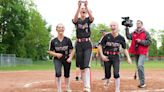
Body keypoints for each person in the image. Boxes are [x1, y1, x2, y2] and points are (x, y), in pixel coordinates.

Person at [98, 21, 132, 92]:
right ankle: (107, 80)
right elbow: (100, 46)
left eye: (114, 25)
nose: (113, 27)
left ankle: (117, 88)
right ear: (110, 27)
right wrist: (102, 55)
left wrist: (128, 58)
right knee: (107, 74)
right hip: (107, 56)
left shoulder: (121, 38)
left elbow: (125, 48)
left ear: (117, 27)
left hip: (116, 56)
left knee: (116, 73)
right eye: (111, 26)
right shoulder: (106, 36)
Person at [72, 0, 94, 92]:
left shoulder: (88, 20)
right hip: (79, 44)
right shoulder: (77, 21)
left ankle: (87, 86)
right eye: (82, 9)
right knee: (81, 66)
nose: (83, 10)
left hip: (87, 44)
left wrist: (86, 5)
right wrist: (78, 7)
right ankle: (85, 85)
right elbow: (75, 19)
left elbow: (92, 18)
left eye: (84, 9)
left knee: (86, 65)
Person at [47, 23, 74, 92]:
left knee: (67, 74)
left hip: (66, 58)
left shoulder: (68, 40)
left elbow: (72, 50)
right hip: (57, 59)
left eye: (62, 27)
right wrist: (56, 54)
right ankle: (59, 89)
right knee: (58, 73)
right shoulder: (53, 41)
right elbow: (50, 51)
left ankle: (67, 87)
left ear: (64, 29)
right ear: (56, 29)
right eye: (59, 27)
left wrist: (70, 58)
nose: (61, 29)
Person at [125, 20, 151, 88]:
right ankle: (141, 82)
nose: (137, 24)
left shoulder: (146, 32)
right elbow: (128, 37)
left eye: (139, 23)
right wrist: (126, 28)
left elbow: (149, 42)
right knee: (138, 67)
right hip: (136, 51)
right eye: (136, 23)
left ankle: (143, 83)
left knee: (140, 65)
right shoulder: (134, 32)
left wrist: (141, 41)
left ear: (142, 24)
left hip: (143, 51)